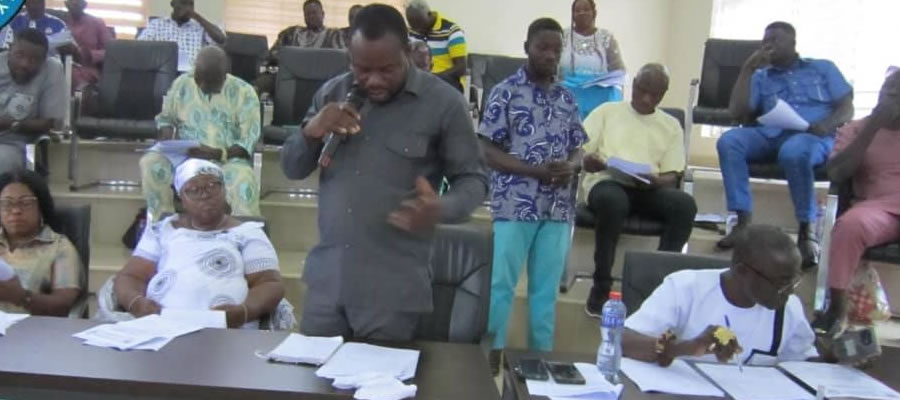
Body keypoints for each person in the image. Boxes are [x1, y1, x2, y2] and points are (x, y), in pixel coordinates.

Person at [280, 4, 487, 341]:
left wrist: (441, 208)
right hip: (327, 285)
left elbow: (475, 180)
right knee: (313, 376)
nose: (374, 80)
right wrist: (312, 131)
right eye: (362, 69)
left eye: (387, 69)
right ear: (350, 58)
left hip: (392, 292)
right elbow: (292, 167)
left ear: (408, 51)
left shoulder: (444, 104)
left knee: (378, 376)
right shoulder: (332, 93)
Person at [480, 17, 587, 370]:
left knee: (545, 293)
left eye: (557, 49)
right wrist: (535, 171)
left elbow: (578, 147)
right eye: (543, 47)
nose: (550, 55)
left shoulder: (567, 97)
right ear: (527, 47)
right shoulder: (505, 92)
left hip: (557, 208)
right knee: (501, 286)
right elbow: (487, 149)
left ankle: (539, 363)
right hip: (515, 203)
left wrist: (571, 165)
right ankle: (489, 360)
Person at [716, 22, 854, 269]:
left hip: (813, 136)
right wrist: (747, 69)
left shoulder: (822, 68)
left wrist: (827, 124)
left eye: (775, 40)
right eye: (765, 41)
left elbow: (846, 108)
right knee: (729, 141)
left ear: (793, 43)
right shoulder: (760, 76)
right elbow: (737, 112)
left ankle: (806, 230)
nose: (768, 45)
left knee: (794, 152)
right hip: (771, 134)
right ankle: (743, 221)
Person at [111, 160, 286, 329]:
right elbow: (131, 277)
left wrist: (244, 312)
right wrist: (137, 304)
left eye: (212, 186)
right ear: (182, 199)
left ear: (224, 190)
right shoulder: (162, 230)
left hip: (228, 331)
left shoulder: (247, 233)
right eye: (193, 190)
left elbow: (269, 282)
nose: (204, 194)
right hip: (161, 327)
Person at [581, 64, 697, 317]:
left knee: (685, 205)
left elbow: (672, 174)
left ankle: (659, 287)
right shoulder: (607, 111)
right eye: (642, 90)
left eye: (654, 94)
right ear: (633, 84)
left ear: (663, 95)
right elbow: (581, 150)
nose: (646, 99)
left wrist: (657, 181)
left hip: (647, 188)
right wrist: (588, 160)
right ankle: (601, 286)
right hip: (607, 181)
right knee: (613, 201)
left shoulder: (670, 125)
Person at [623, 225, 817, 366]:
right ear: (742, 271)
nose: (790, 291)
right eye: (781, 283)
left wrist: (831, 357)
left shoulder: (789, 307)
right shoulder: (685, 288)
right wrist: (687, 347)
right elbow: (623, 341)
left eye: (793, 280)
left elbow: (803, 362)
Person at [814, 70, 900, 337]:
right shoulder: (855, 130)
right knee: (850, 225)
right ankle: (838, 310)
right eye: (888, 91)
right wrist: (873, 127)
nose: (892, 98)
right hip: (879, 209)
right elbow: (837, 173)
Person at [140, 46, 261, 222]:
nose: (203, 87)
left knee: (244, 181)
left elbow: (248, 141)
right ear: (194, 71)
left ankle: (244, 234)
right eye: (200, 80)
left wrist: (217, 153)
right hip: (186, 159)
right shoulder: (182, 84)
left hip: (227, 161)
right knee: (151, 162)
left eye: (211, 83)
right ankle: (161, 224)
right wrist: (166, 137)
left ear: (225, 75)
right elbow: (166, 119)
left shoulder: (244, 92)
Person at [0, 169, 83, 316]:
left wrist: (21, 297)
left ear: (41, 207)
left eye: (25, 203)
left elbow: (63, 305)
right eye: (7, 203)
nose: (16, 210)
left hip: (30, 327)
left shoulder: (59, 248)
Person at [0, 29, 65, 176]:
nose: (25, 64)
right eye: (20, 55)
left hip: (12, 144)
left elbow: (50, 123)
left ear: (43, 60)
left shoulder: (51, 69)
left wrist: (10, 124)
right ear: (10, 49)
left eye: (34, 59)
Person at [257, 0, 346, 95]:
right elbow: (272, 57)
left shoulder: (334, 35)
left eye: (314, 13)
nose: (311, 16)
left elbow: (342, 63)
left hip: (322, 81)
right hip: (292, 79)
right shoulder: (291, 34)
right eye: (308, 14)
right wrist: (267, 69)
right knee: (265, 77)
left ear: (323, 14)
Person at [561, 0, 626, 121]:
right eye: (577, 10)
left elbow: (619, 72)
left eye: (586, 9)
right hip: (568, 90)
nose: (582, 13)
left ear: (594, 13)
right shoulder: (563, 36)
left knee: (612, 93)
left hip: (598, 93)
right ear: (572, 14)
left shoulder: (606, 37)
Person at [137, 0, 226, 72]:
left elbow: (221, 39)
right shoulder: (157, 24)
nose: (188, 8)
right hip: (163, 72)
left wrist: (197, 17)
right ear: (173, 4)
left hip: (191, 76)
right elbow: (140, 48)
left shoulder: (200, 27)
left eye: (191, 4)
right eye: (183, 3)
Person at [405, 0, 467, 92]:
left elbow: (461, 68)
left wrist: (433, 78)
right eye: (413, 25)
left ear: (429, 14)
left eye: (420, 23)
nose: (418, 29)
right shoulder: (410, 31)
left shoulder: (452, 31)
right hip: (417, 79)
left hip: (445, 81)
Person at [62, 0, 112, 90]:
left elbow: (112, 51)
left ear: (85, 4)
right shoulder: (58, 22)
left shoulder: (97, 23)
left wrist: (91, 55)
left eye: (78, 1)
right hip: (61, 65)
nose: (75, 3)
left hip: (86, 70)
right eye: (72, 1)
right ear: (66, 4)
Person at [6, 0, 71, 55]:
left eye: (39, 2)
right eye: (32, 2)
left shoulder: (58, 24)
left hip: (49, 60)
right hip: (19, 61)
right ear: (26, 4)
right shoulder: (14, 21)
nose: (36, 6)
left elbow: (67, 46)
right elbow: (7, 46)